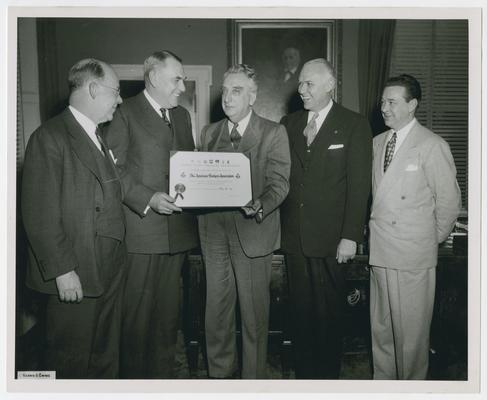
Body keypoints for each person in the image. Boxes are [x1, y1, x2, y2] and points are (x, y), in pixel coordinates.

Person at [21, 59, 125, 378]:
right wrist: (63, 270)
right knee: (70, 362)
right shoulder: (49, 137)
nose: (120, 100)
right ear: (93, 89)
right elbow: (39, 214)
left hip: (106, 269)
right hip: (75, 272)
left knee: (103, 358)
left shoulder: (95, 134)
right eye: (116, 92)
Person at [104, 51, 199, 378]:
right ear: (155, 77)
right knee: (136, 323)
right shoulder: (124, 112)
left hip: (179, 236)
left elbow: (190, 168)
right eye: (177, 79)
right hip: (142, 236)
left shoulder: (183, 117)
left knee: (167, 322)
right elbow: (114, 170)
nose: (182, 87)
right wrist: (148, 199)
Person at [280, 58, 372, 379]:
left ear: (330, 85)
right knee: (300, 316)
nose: (302, 90)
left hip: (334, 240)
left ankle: (327, 383)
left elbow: (360, 186)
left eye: (309, 84)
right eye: (301, 84)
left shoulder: (353, 124)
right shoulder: (288, 123)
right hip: (293, 238)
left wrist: (351, 235)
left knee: (329, 317)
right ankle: (305, 381)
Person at [198, 64, 290, 379]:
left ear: (252, 96)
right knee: (217, 312)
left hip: (254, 232)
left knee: (254, 316)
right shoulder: (209, 133)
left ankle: (252, 383)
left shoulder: (273, 132)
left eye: (236, 91)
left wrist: (262, 203)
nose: (227, 97)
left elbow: (280, 183)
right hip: (213, 233)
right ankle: (219, 377)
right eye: (224, 90)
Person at [369, 74, 461, 380]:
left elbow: (449, 202)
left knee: (411, 339)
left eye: (392, 102)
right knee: (381, 332)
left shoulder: (432, 145)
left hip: (413, 256)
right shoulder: (377, 143)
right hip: (381, 251)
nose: (384, 107)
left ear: (412, 105)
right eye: (383, 101)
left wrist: (426, 241)